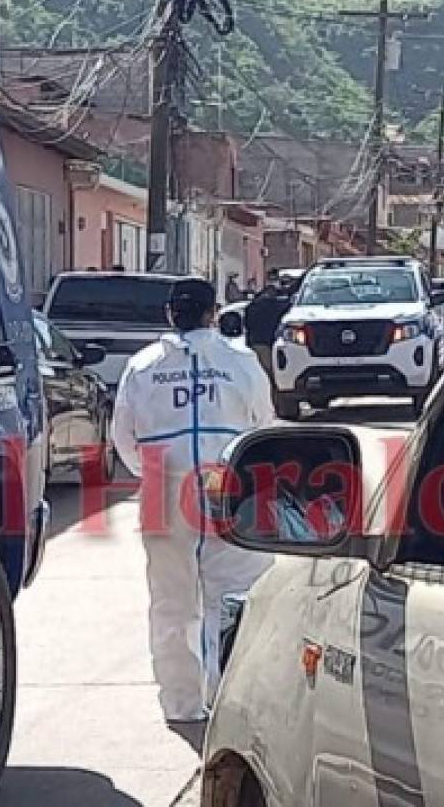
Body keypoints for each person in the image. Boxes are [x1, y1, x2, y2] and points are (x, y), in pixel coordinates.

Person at [111, 278, 275, 723]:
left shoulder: (142, 367)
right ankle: (232, 700)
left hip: (164, 494)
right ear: (213, 313)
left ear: (170, 314)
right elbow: (264, 426)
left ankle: (182, 705)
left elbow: (122, 439)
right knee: (237, 596)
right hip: (230, 489)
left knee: (171, 601)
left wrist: (158, 475)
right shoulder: (241, 362)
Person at [244, 269, 294, 379]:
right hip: (268, 342)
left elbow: (247, 323)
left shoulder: (255, 304)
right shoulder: (282, 304)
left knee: (263, 373)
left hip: (260, 342)